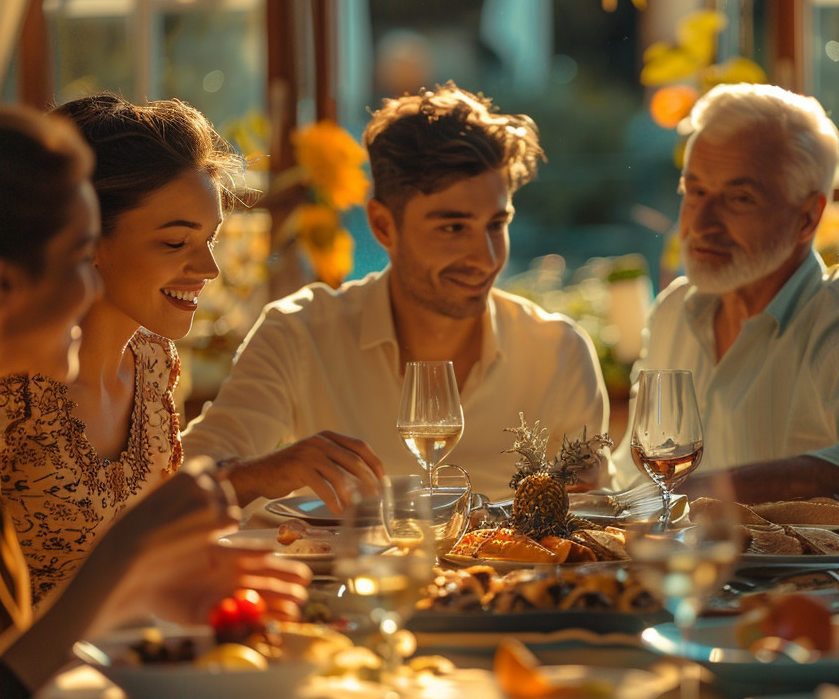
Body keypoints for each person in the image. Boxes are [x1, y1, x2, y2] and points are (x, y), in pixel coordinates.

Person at [0, 102, 308, 699]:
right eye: (81, 257)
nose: (91, 287)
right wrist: (129, 555)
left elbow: (4, 655)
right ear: (1, 283)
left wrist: (145, 595)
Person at [183, 83, 609, 502]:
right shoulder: (298, 333)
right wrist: (269, 472)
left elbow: (594, 521)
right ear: (384, 226)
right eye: (453, 228)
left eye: (497, 225)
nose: (486, 257)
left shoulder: (559, 354)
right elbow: (187, 479)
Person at [0, 92, 240, 603]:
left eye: (210, 239)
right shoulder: (4, 382)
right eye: (175, 242)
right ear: (90, 238)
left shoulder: (155, 362)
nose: (208, 269)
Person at [613, 82, 839, 503]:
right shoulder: (674, 312)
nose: (701, 223)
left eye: (739, 198)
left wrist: (710, 492)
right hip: (687, 569)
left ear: (808, 218)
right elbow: (635, 478)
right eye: (695, 191)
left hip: (812, 572)